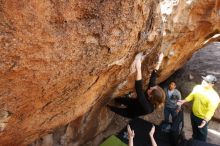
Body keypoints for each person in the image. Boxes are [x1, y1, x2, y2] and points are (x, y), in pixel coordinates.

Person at [108, 52, 165, 118]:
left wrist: (138, 68)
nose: (150, 88)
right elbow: (153, 77)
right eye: (153, 87)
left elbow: (139, 90)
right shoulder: (152, 92)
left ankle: (109, 107)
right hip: (134, 102)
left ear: (150, 96)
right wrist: (159, 61)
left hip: (131, 113)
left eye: (151, 89)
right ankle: (118, 101)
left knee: (115, 109)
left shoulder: (148, 109)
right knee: (120, 99)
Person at [177, 75, 220, 142]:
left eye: (207, 81)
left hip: (202, 118)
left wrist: (205, 120)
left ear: (212, 84)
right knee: (195, 131)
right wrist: (184, 100)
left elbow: (210, 111)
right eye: (204, 79)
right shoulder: (197, 87)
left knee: (202, 134)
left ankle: (200, 143)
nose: (204, 82)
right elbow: (192, 95)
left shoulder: (214, 97)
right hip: (193, 114)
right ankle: (194, 141)